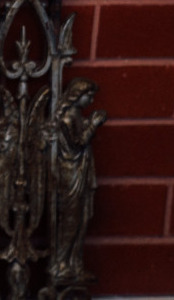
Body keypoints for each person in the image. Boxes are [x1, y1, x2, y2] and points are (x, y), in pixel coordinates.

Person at [51, 78, 106, 284]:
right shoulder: (67, 118)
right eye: (88, 96)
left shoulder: (75, 115)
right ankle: (60, 263)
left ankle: (72, 263)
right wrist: (93, 124)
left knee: (80, 218)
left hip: (78, 170)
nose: (91, 100)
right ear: (76, 95)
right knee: (70, 219)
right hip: (70, 173)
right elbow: (78, 142)